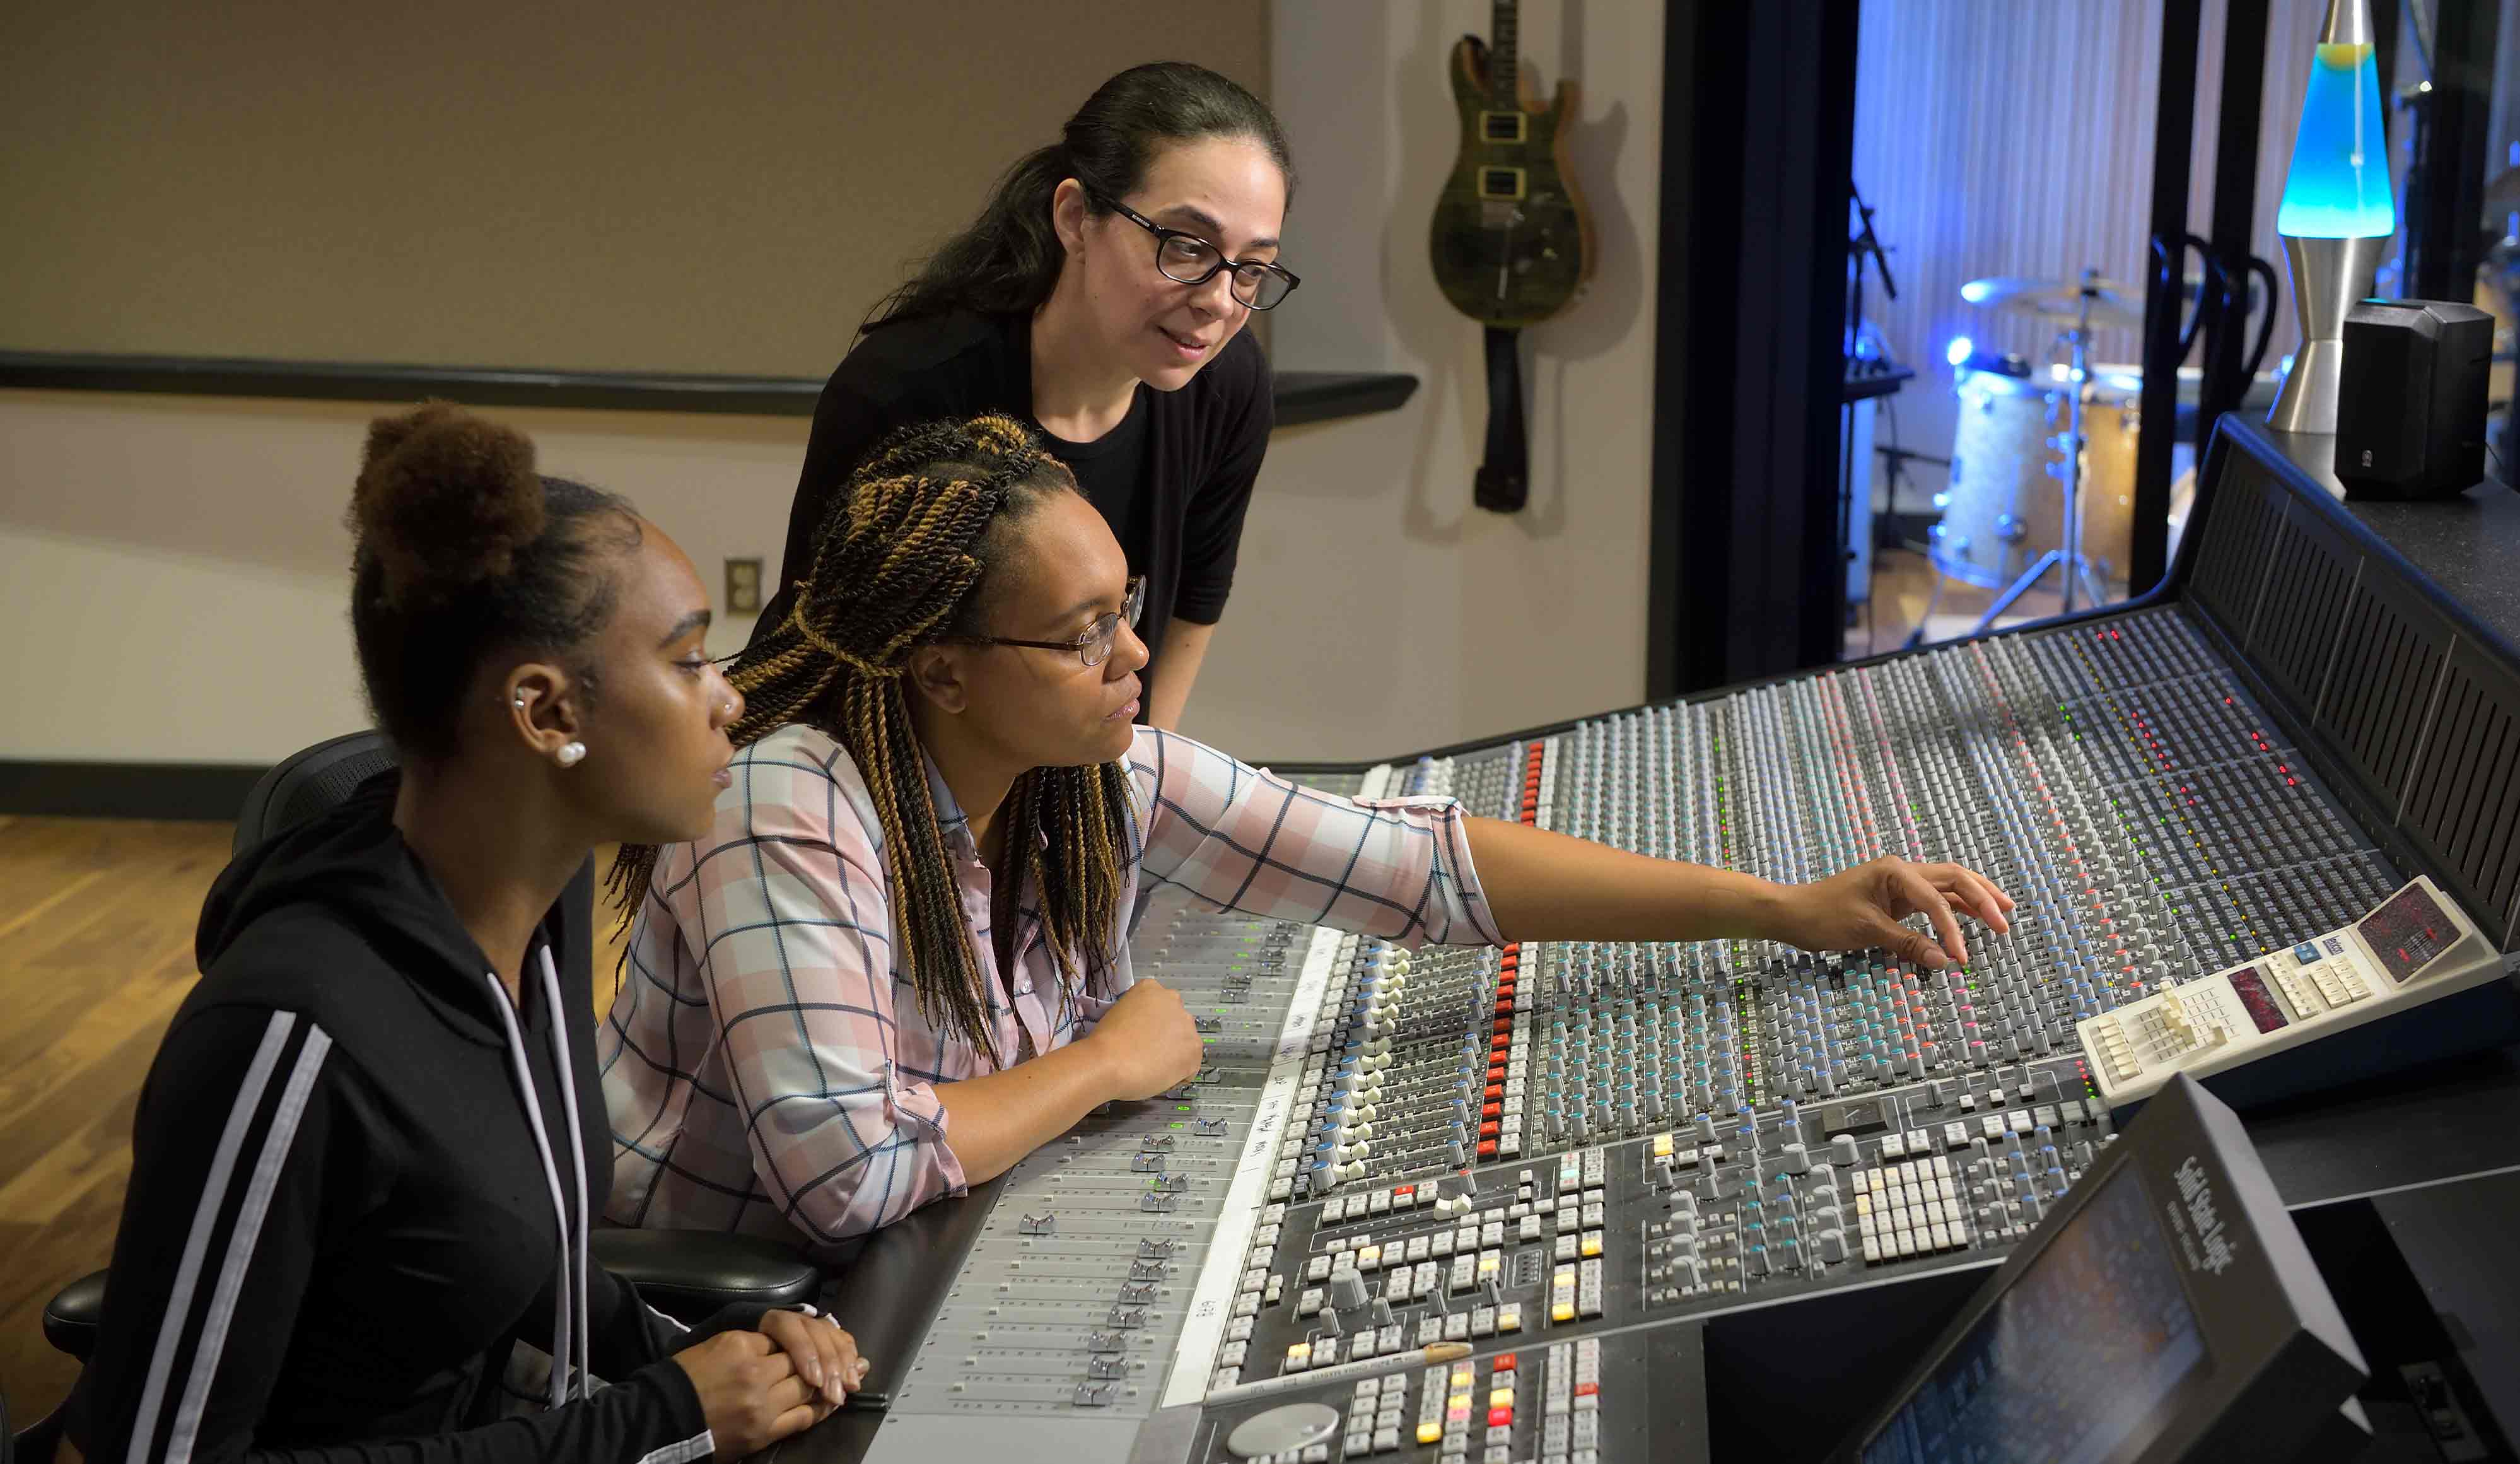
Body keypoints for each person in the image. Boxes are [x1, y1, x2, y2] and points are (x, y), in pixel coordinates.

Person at [598, 416, 2013, 1258]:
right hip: (743, 1321)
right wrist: (1104, 1061)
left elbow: (1416, 861)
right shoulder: (783, 806)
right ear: (944, 669)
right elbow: (846, 1176)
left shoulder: (1099, 772)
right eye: (1084, 631)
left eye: (1128, 604)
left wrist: (1780, 906)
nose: (1135, 650)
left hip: (944, 1238)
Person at [67, 406, 860, 1463]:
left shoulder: (532, 919)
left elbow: (503, 1252)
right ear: (544, 714)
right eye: (689, 660)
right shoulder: (292, 1030)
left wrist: (712, 1355)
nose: (730, 696)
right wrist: (655, 1418)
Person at [761, 61, 1297, 731]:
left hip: (1073, 778)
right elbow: (828, 657)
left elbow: (1195, 596)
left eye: (1252, 267)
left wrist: (1138, 773)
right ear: (1076, 218)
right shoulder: (908, 387)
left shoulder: (1229, 384)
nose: (1219, 300)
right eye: (1186, 247)